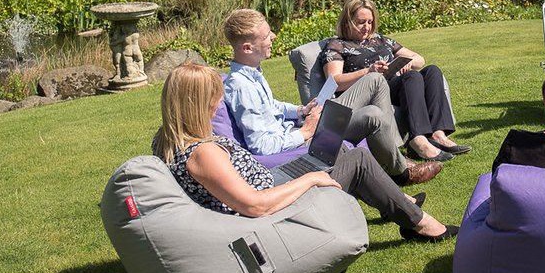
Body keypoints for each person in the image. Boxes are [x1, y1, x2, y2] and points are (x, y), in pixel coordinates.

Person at [153, 63, 456, 242]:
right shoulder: (203, 153)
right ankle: (421, 224)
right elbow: (255, 206)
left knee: (332, 152)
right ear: (195, 103)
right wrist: (309, 179)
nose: (217, 106)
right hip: (276, 200)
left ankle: (401, 204)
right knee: (357, 159)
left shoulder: (167, 140)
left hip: (273, 179)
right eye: (213, 101)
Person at [221, 8, 442, 186]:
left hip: (303, 124)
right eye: (267, 36)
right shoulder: (242, 87)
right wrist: (305, 131)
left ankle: (397, 164)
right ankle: (400, 170)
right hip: (306, 135)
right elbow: (261, 146)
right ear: (248, 47)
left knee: (374, 83)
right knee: (373, 107)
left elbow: (270, 107)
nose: (274, 37)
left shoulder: (251, 74)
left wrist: (299, 110)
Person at [321, 0, 469, 163]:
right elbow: (335, 81)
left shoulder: (381, 39)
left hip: (397, 83)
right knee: (411, 77)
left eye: (370, 22)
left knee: (432, 71)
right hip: (374, 92)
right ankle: (417, 140)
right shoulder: (337, 45)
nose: (367, 27)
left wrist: (408, 62)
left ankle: (438, 134)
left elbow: (420, 59)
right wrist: (368, 71)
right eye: (361, 22)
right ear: (347, 21)